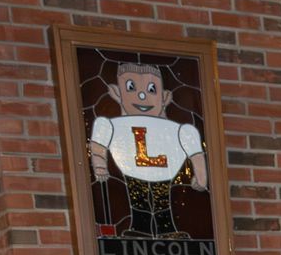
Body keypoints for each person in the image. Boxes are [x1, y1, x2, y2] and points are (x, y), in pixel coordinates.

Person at [88, 61, 208, 238]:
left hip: (163, 172)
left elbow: (195, 151)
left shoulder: (176, 129)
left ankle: (165, 230)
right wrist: (99, 165)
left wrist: (201, 175)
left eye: (152, 89)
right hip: (133, 171)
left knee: (161, 201)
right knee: (139, 199)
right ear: (116, 93)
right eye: (131, 87)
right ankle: (140, 229)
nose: (142, 96)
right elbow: (98, 145)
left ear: (165, 97)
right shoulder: (112, 125)